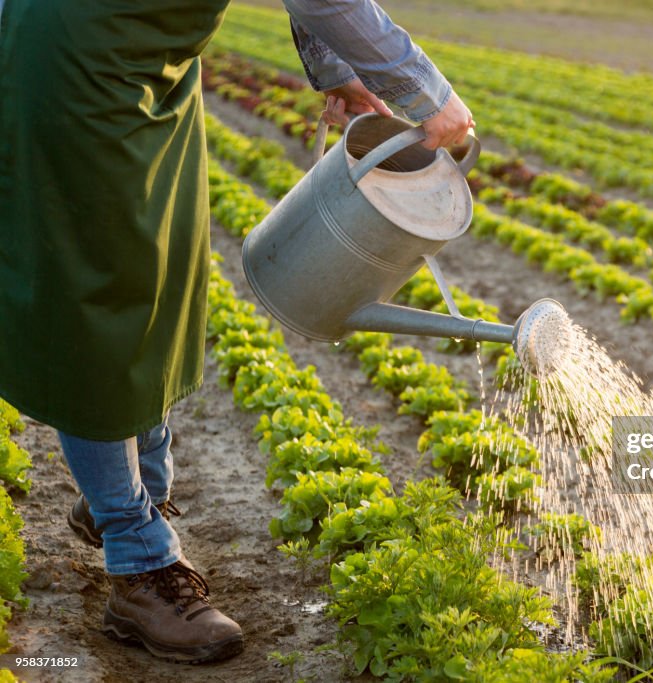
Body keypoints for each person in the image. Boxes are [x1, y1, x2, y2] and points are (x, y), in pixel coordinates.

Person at [0, 0, 473, 664]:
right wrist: (426, 94)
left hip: (147, 58)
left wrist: (338, 69)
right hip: (79, 53)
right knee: (98, 291)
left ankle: (134, 493)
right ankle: (137, 562)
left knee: (161, 267)